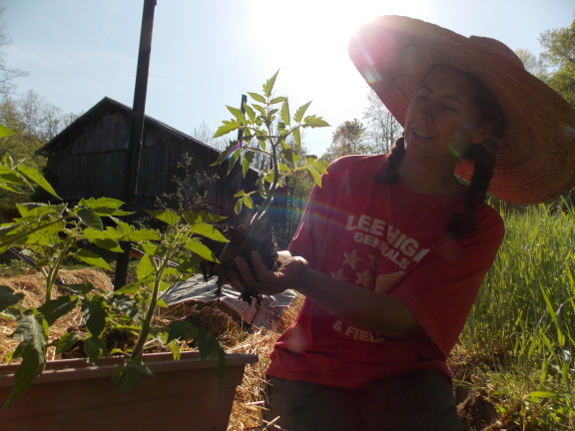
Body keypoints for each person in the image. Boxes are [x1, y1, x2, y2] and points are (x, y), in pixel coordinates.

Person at [234, 16, 575, 431]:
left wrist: (302, 278)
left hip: (405, 378)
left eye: (448, 107)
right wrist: (264, 261)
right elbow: (300, 257)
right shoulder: (344, 175)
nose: (425, 114)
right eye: (423, 97)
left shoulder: (478, 226)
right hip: (311, 368)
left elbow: (400, 319)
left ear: (481, 129)